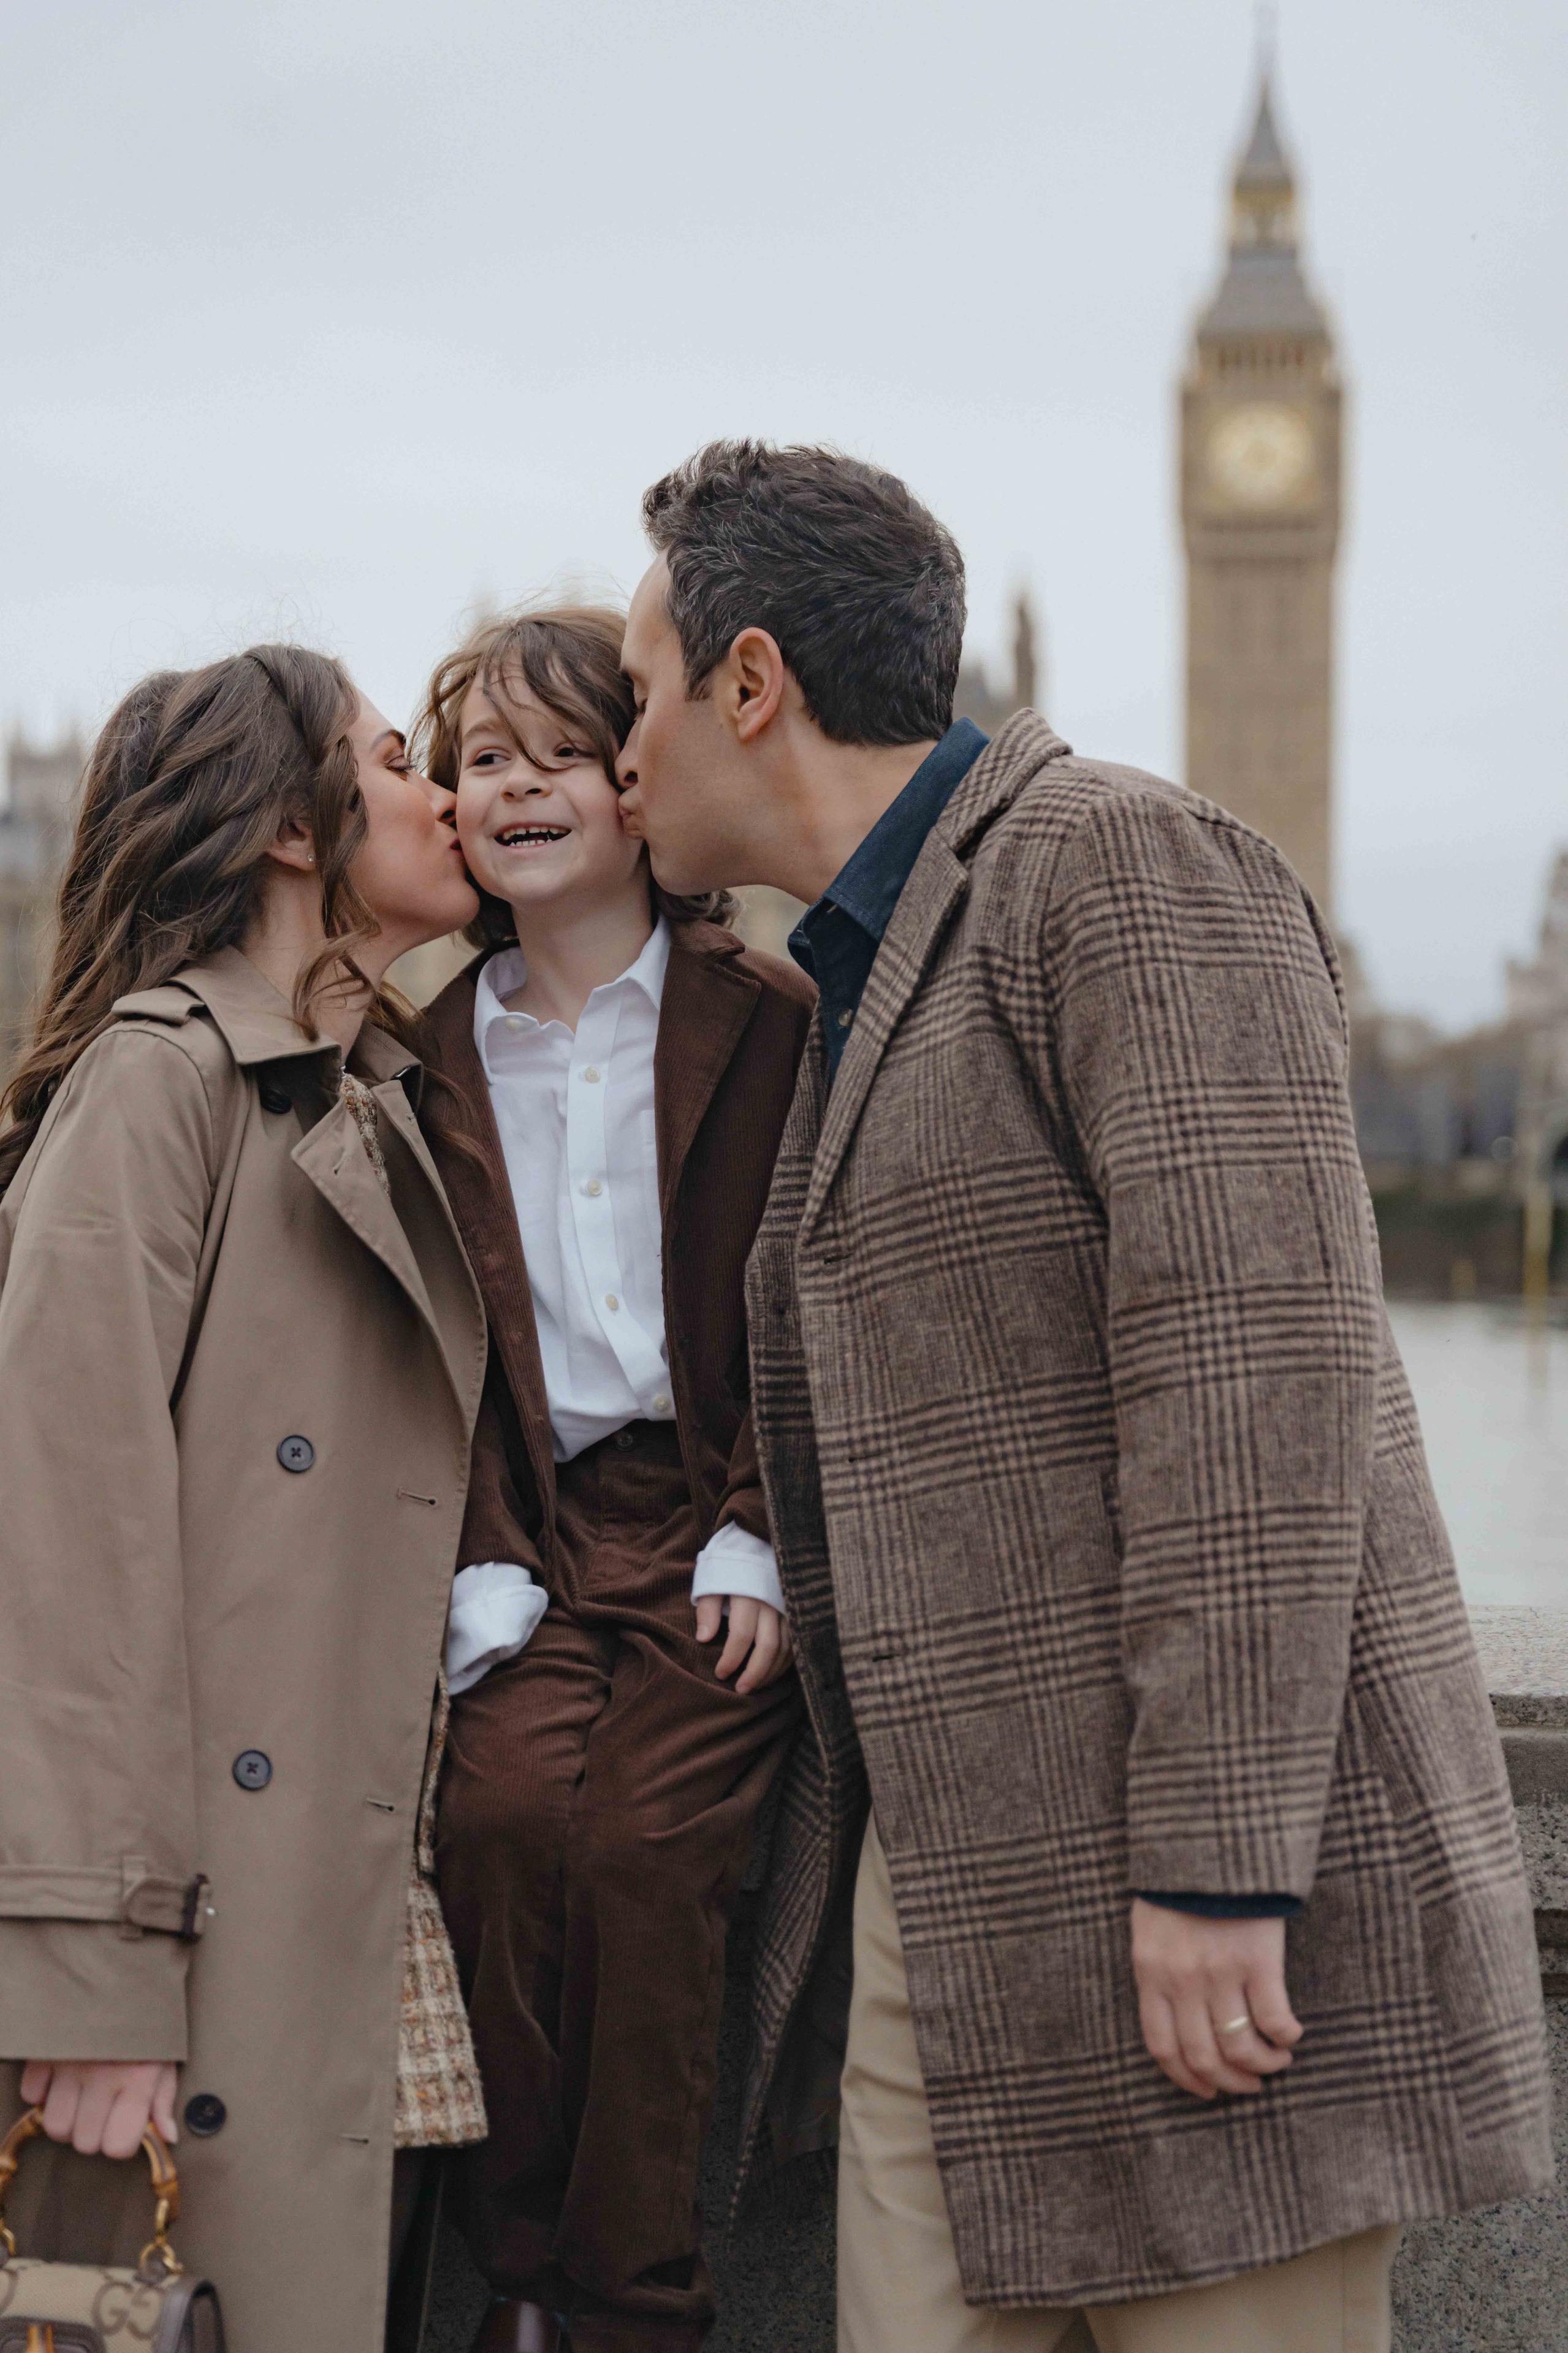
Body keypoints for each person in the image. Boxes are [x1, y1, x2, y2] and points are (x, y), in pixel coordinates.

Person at [614, 441, 1553, 2353]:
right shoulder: (855, 972)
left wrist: (1217, 1865)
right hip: (944, 1921)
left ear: (750, 682)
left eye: (637, 691)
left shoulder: (1121, 863)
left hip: (1185, 1911)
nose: (620, 749)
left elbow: (1254, 1377)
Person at [0, 647, 489, 2353]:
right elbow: (60, 1557)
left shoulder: (372, 1094)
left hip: (345, 1932)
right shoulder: (160, 1086)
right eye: (401, 758)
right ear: (295, 828)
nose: (449, 792)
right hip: (179, 1965)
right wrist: (92, 1981)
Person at [411, 606, 814, 2353]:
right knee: (495, 1826)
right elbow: (438, 1347)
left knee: (650, 1856)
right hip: (534, 1526)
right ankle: (516, 2283)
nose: (519, 788)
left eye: (558, 753)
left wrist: (765, 1534)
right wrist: (483, 1555)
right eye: (481, 762)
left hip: (710, 1511)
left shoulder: (769, 1015)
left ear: (634, 784)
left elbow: (817, 1298)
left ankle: (634, 2305)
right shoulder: (422, 1056)